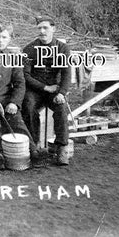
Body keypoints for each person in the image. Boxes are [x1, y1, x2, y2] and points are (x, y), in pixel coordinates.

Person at [0, 22, 43, 169]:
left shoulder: (13, 57)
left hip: (7, 99)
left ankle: (32, 151)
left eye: (4, 37)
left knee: (17, 120)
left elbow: (20, 83)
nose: (0, 40)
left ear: (9, 39)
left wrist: (14, 102)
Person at [22, 15, 72, 165]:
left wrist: (62, 93)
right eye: (39, 28)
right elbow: (26, 75)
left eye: (46, 28)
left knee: (61, 107)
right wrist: (44, 87)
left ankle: (61, 148)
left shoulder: (62, 48)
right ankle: (34, 145)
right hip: (35, 90)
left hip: (55, 90)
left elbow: (66, 74)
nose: (42, 31)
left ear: (53, 29)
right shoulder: (30, 49)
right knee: (28, 105)